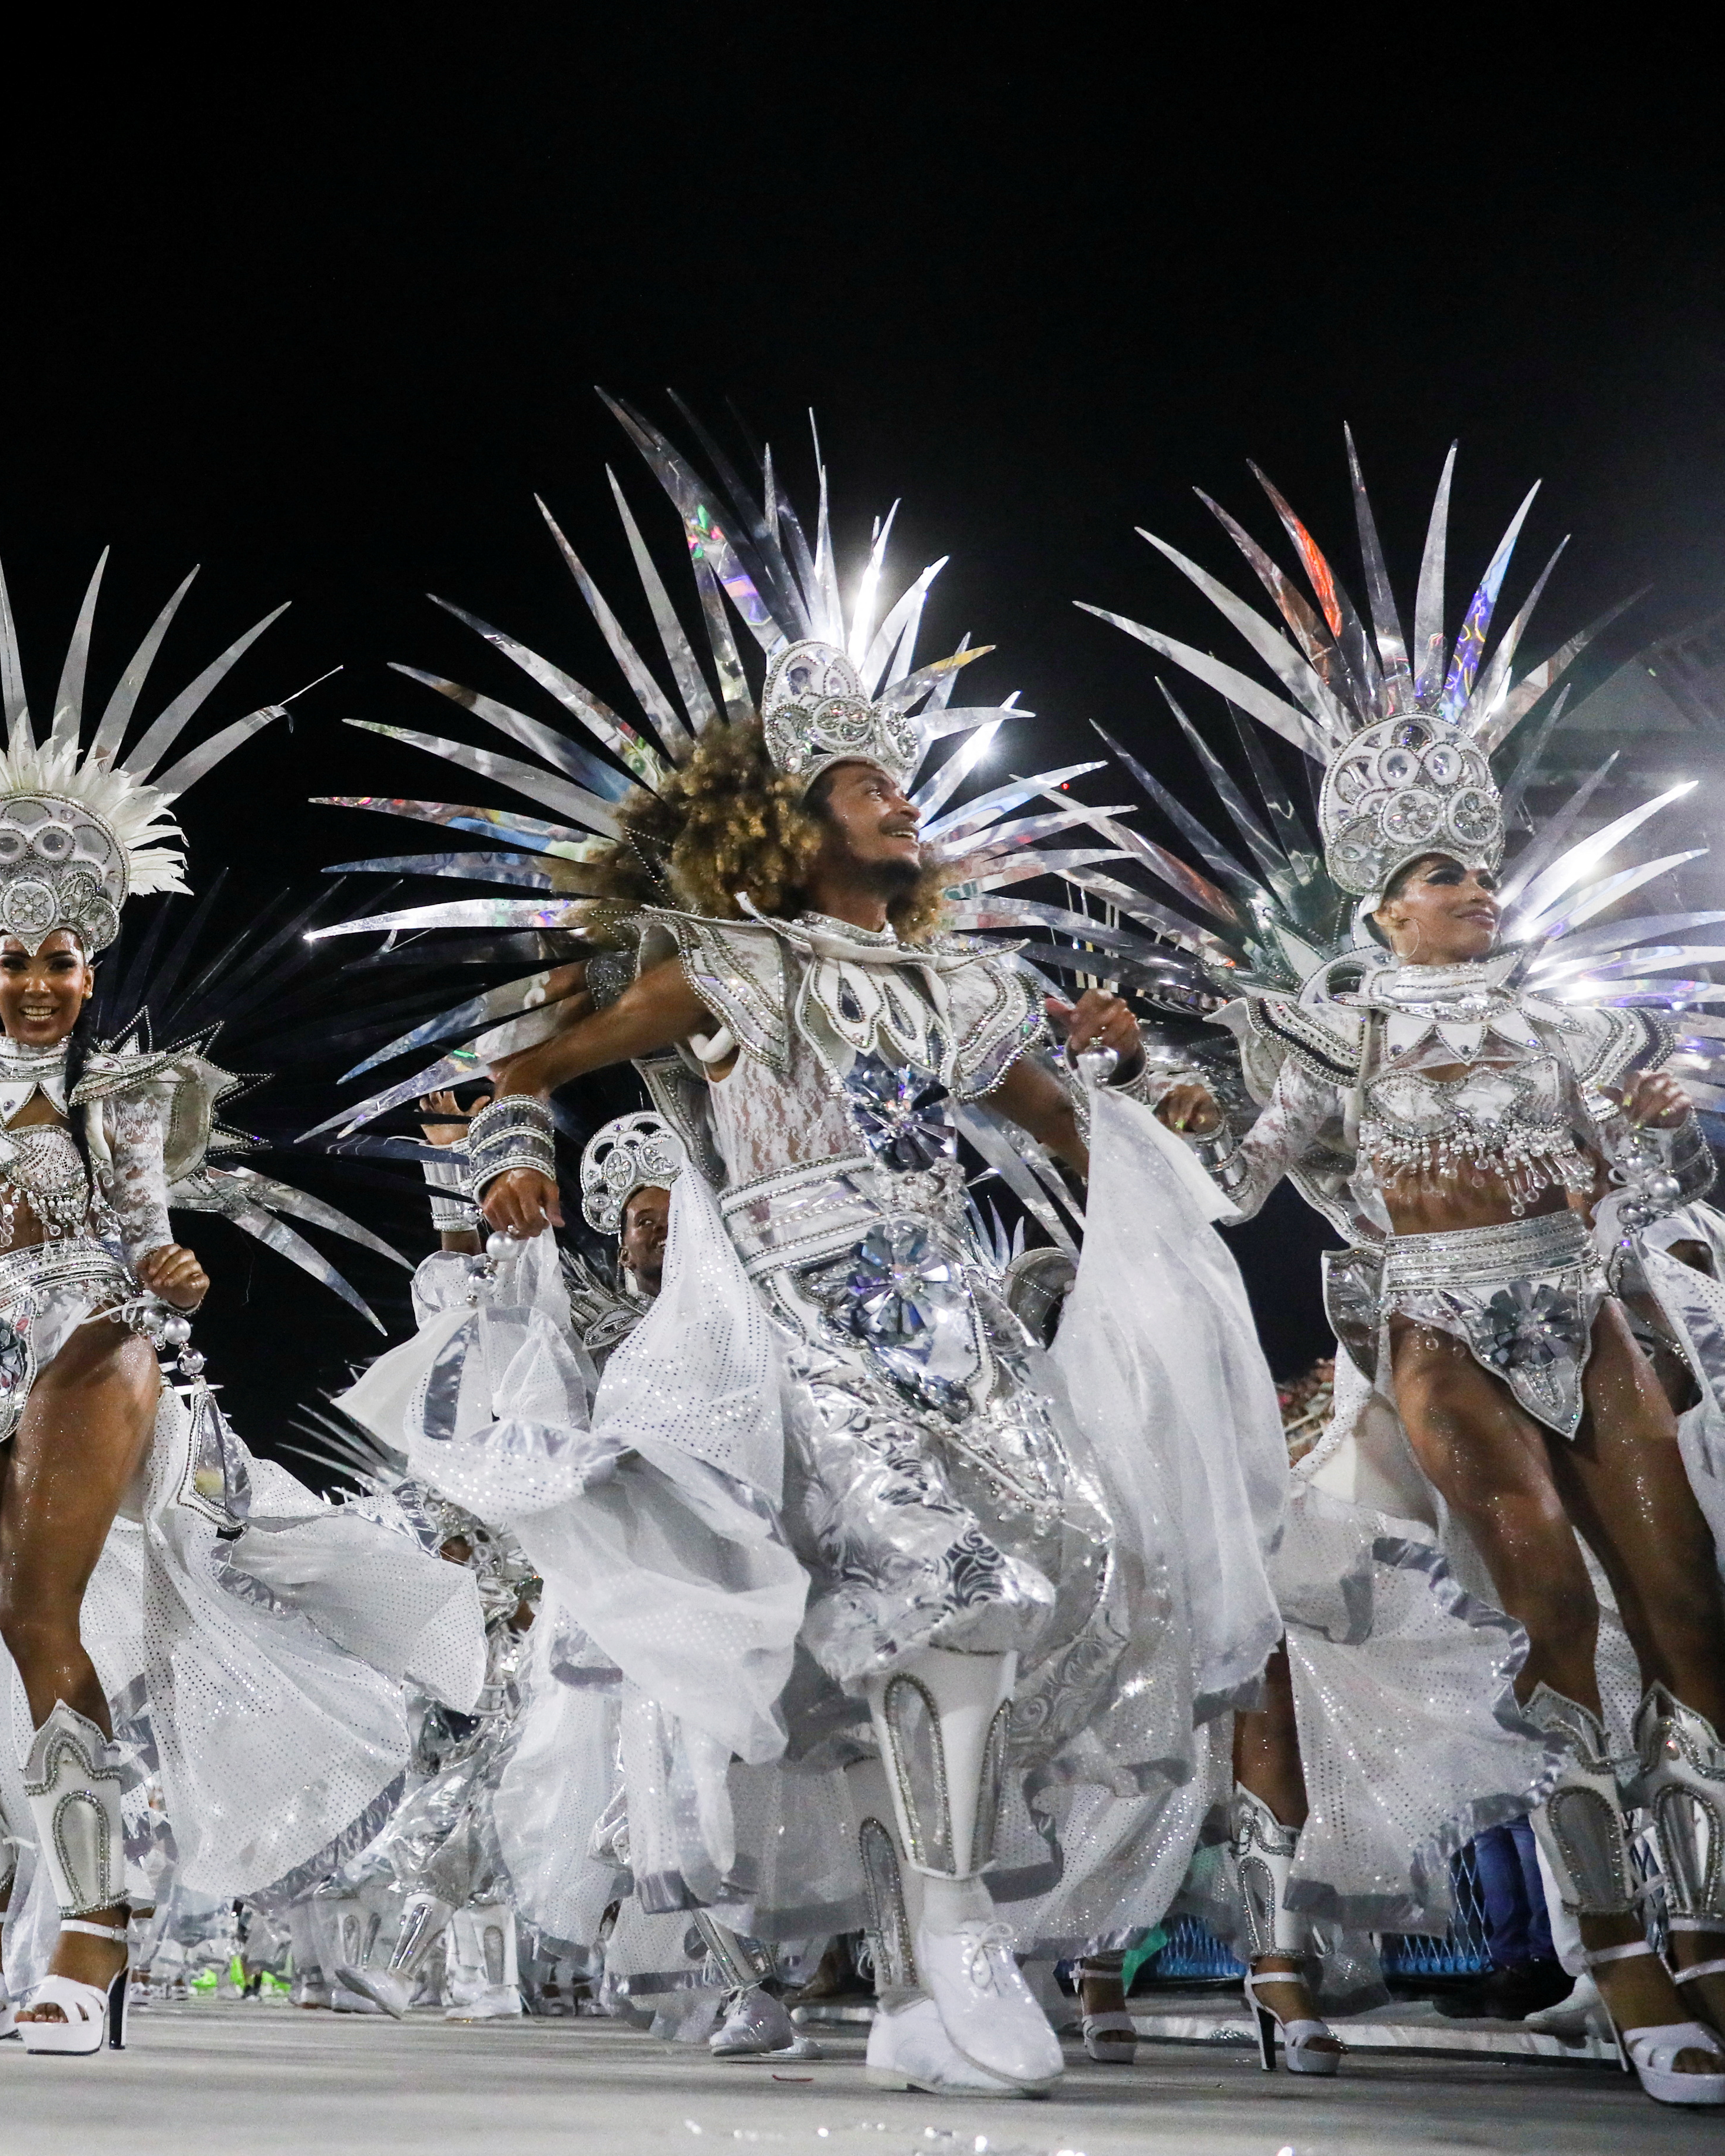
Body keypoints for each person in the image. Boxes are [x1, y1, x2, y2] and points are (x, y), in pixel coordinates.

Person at [322, 395, 1272, 2098]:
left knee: (1055, 1556)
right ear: (790, 815)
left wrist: (1148, 1087)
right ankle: (948, 1924)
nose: (898, 802)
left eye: (901, 780)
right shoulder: (728, 968)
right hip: (791, 1313)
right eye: (860, 780)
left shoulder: (964, 983)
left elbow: (1081, 1131)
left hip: (956, 1320)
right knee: (945, 1589)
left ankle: (924, 1950)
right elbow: (526, 1062)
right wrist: (517, 1162)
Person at [0, 534, 480, 2056]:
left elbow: (141, 1235)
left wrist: (168, 1284)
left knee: (39, 1611)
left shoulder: (119, 1095)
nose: (38, 980)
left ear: (87, 965)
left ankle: (96, 1938)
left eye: (60, 958)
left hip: (93, 1343)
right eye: (15, 961)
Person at [1087, 438, 1725, 2105]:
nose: (1478, 883)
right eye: (1444, 872)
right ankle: (1622, 1950)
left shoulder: (1575, 1021)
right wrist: (1141, 1094)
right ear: (1383, 900)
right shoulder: (1321, 1023)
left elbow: (1641, 1182)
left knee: (1694, 1627)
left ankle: (1709, 1933)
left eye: (1480, 861)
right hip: (1434, 1335)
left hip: (1575, 1314)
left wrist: (1655, 1125)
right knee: (1556, 1620)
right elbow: (1234, 1183)